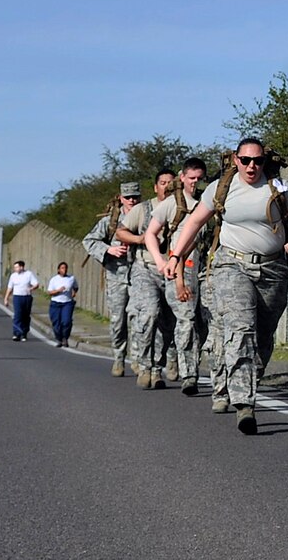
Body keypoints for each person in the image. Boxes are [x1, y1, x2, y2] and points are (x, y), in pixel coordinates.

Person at [165, 138, 288, 434]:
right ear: (235, 159)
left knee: (263, 334)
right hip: (232, 265)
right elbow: (194, 222)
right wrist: (174, 256)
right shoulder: (220, 188)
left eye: (257, 161)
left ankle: (246, 380)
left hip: (273, 267)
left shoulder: (279, 187)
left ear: (264, 161)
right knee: (240, 327)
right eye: (245, 160)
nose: (251, 166)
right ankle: (245, 404)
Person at [143, 158, 213, 395]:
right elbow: (151, 233)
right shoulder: (172, 204)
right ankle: (188, 375)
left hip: (206, 268)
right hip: (179, 270)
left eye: (199, 178)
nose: (195, 182)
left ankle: (180, 365)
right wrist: (163, 263)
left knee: (206, 323)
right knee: (185, 322)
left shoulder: (208, 202)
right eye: (191, 178)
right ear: (182, 178)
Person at [83, 182, 146, 377]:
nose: (132, 201)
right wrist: (109, 249)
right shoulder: (110, 222)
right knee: (118, 320)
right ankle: (119, 356)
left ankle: (136, 359)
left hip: (140, 275)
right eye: (128, 197)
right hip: (116, 275)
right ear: (121, 198)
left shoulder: (146, 217)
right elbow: (89, 241)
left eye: (135, 197)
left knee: (138, 319)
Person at [125, 169, 178, 387]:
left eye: (171, 183)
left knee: (169, 322)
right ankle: (144, 364)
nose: (167, 186)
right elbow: (121, 231)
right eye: (163, 182)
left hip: (174, 271)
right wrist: (141, 239)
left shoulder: (182, 208)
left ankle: (157, 368)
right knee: (149, 313)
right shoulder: (142, 209)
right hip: (145, 268)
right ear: (156, 187)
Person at [1, 260, 41, 341]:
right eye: (14, 267)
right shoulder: (13, 276)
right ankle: (17, 333)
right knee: (18, 315)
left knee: (26, 315)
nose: (15, 269)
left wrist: (32, 288)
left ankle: (24, 333)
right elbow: (10, 288)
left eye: (17, 267)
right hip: (17, 297)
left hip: (27, 297)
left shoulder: (28, 274)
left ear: (22, 267)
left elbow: (36, 284)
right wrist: (6, 298)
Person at [46, 262, 79, 347]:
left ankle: (65, 338)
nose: (64, 270)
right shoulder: (54, 279)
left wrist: (74, 292)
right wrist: (58, 291)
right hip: (55, 303)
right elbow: (50, 292)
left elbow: (76, 287)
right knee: (56, 322)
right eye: (62, 268)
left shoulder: (71, 278)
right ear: (58, 270)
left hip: (67, 303)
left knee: (66, 321)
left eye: (65, 268)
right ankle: (58, 338)